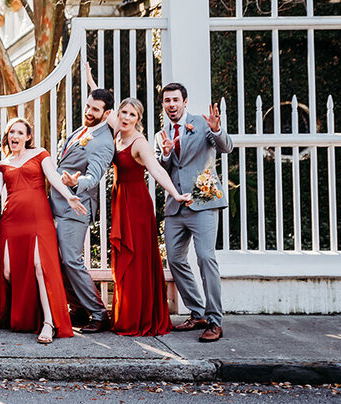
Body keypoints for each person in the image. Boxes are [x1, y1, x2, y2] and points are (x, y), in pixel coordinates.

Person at [0, 117, 87, 343]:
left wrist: (69, 197)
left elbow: (54, 177)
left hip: (38, 218)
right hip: (12, 220)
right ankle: (24, 315)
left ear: (28, 137)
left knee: (40, 268)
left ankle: (48, 322)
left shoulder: (40, 154)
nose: (14, 137)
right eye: (11, 132)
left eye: (20, 133)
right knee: (8, 272)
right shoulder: (3, 163)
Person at [106, 97, 193, 336]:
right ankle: (125, 314)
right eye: (124, 112)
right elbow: (106, 107)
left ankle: (138, 318)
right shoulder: (117, 133)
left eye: (132, 115)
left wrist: (175, 194)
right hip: (120, 201)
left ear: (138, 119)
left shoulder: (139, 142)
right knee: (123, 258)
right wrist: (92, 83)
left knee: (136, 260)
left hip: (136, 205)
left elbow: (156, 170)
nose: (125, 118)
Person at [156, 82, 234, 342]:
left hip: (203, 201)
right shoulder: (162, 132)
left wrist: (217, 130)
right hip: (175, 206)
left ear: (185, 101)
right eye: (167, 101)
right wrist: (165, 155)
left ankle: (214, 320)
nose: (171, 105)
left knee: (205, 258)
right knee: (176, 260)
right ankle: (197, 311)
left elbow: (226, 147)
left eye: (175, 100)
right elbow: (165, 169)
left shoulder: (202, 124)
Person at [53, 89, 116, 334]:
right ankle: (77, 307)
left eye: (95, 109)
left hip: (76, 206)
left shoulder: (103, 142)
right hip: (57, 203)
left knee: (71, 260)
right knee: (59, 260)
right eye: (88, 106)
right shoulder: (81, 130)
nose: (89, 112)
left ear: (107, 113)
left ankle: (99, 313)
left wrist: (75, 183)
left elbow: (95, 175)